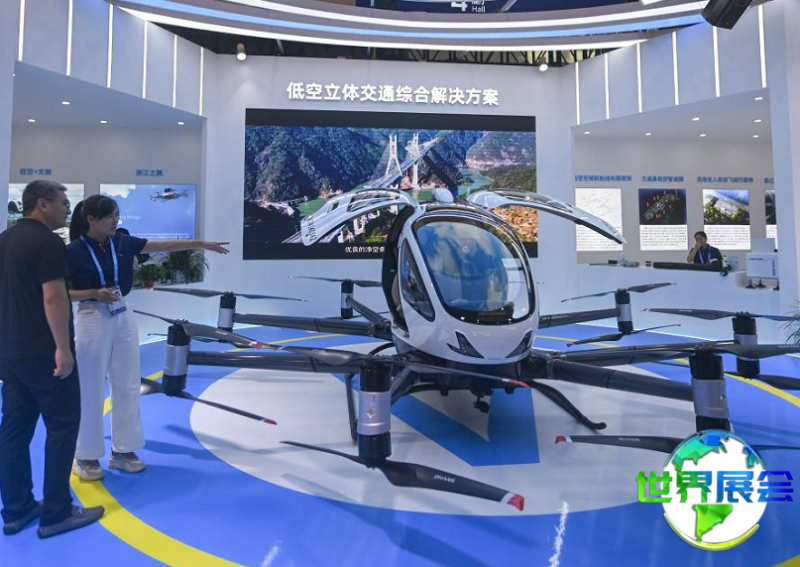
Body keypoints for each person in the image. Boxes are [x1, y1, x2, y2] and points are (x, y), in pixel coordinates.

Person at [66, 195, 229, 481]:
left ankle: (123, 451)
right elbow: (62, 292)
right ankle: (86, 455)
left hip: (122, 313)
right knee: (90, 387)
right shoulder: (73, 251)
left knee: (128, 383)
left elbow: (162, 246)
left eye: (117, 214)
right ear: (91, 219)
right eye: (110, 216)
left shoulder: (122, 242)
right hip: (91, 315)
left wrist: (201, 243)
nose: (116, 220)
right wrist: (92, 293)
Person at [0, 180, 104, 538]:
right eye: (63, 202)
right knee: (62, 426)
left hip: (10, 354)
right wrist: (63, 348)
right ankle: (56, 513)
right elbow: (55, 298)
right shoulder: (47, 243)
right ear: (42, 204)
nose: (67, 209)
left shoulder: (5, 239)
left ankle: (16, 510)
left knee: (14, 430)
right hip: (44, 354)